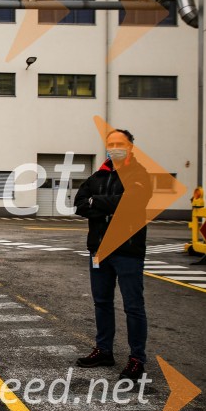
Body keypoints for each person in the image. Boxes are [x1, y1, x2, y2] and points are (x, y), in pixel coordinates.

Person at [74, 129, 152, 380]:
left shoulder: (140, 174)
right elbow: (79, 204)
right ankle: (104, 350)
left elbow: (133, 202)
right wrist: (109, 204)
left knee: (133, 306)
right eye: (111, 143)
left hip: (128, 250)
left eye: (120, 143)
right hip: (99, 250)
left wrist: (97, 203)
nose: (115, 147)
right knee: (102, 302)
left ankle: (137, 359)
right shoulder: (98, 175)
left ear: (130, 146)